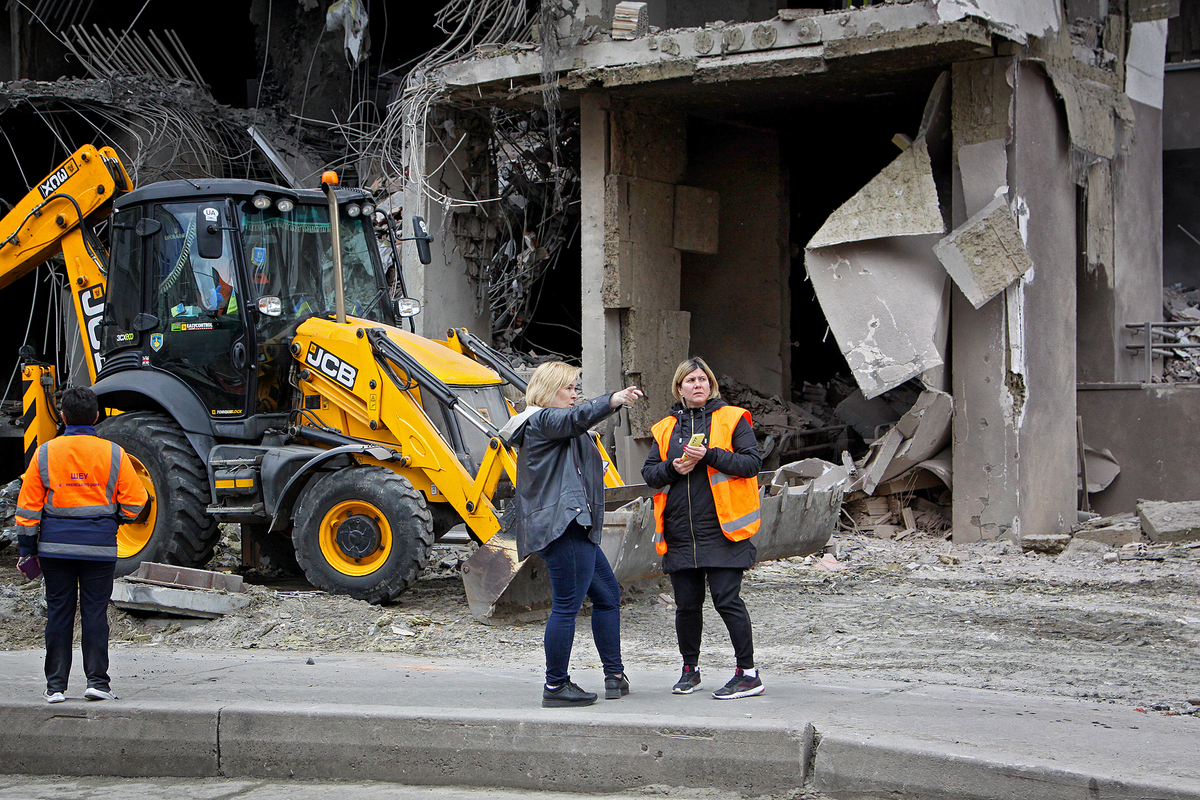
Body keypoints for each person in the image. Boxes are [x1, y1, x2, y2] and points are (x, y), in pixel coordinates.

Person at [498, 361, 643, 708]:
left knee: (607, 594)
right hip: (564, 525)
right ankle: (556, 684)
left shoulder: (550, 425)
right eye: (569, 387)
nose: (575, 394)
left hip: (571, 524)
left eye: (576, 388)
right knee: (566, 606)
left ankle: (614, 675)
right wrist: (612, 400)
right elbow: (576, 419)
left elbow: (571, 446)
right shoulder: (542, 420)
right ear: (549, 390)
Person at [15, 386, 149, 704]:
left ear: (62, 417)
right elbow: (137, 501)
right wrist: (113, 521)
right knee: (95, 613)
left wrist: (27, 550)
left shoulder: (45, 453)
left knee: (59, 613)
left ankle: (55, 687)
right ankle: (98, 683)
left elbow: (28, 509)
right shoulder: (114, 453)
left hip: (55, 549)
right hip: (99, 549)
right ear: (97, 416)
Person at [641, 356, 765, 699]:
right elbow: (650, 474)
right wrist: (674, 468)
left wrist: (708, 455)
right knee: (686, 606)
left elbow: (751, 463)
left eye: (703, 379)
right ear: (679, 388)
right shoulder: (664, 428)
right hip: (680, 532)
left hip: (723, 530)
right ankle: (689, 670)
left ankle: (748, 673)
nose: (698, 385)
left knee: (727, 601)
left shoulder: (732, 418)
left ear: (711, 385)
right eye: (691, 380)